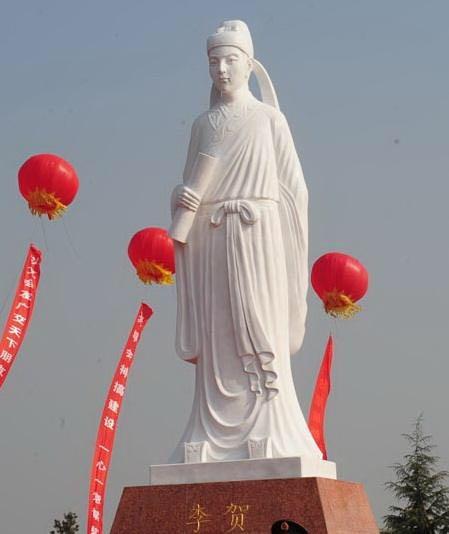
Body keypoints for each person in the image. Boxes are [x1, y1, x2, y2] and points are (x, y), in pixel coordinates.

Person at [169, 20, 322, 463]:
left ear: (249, 63)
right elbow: (188, 187)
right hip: (211, 239)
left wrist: (275, 228)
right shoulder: (202, 125)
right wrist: (180, 198)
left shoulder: (269, 119)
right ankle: (209, 430)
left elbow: (296, 191)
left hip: (257, 237)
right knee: (219, 333)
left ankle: (268, 425)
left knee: (258, 327)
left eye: (230, 60)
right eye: (214, 61)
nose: (221, 69)